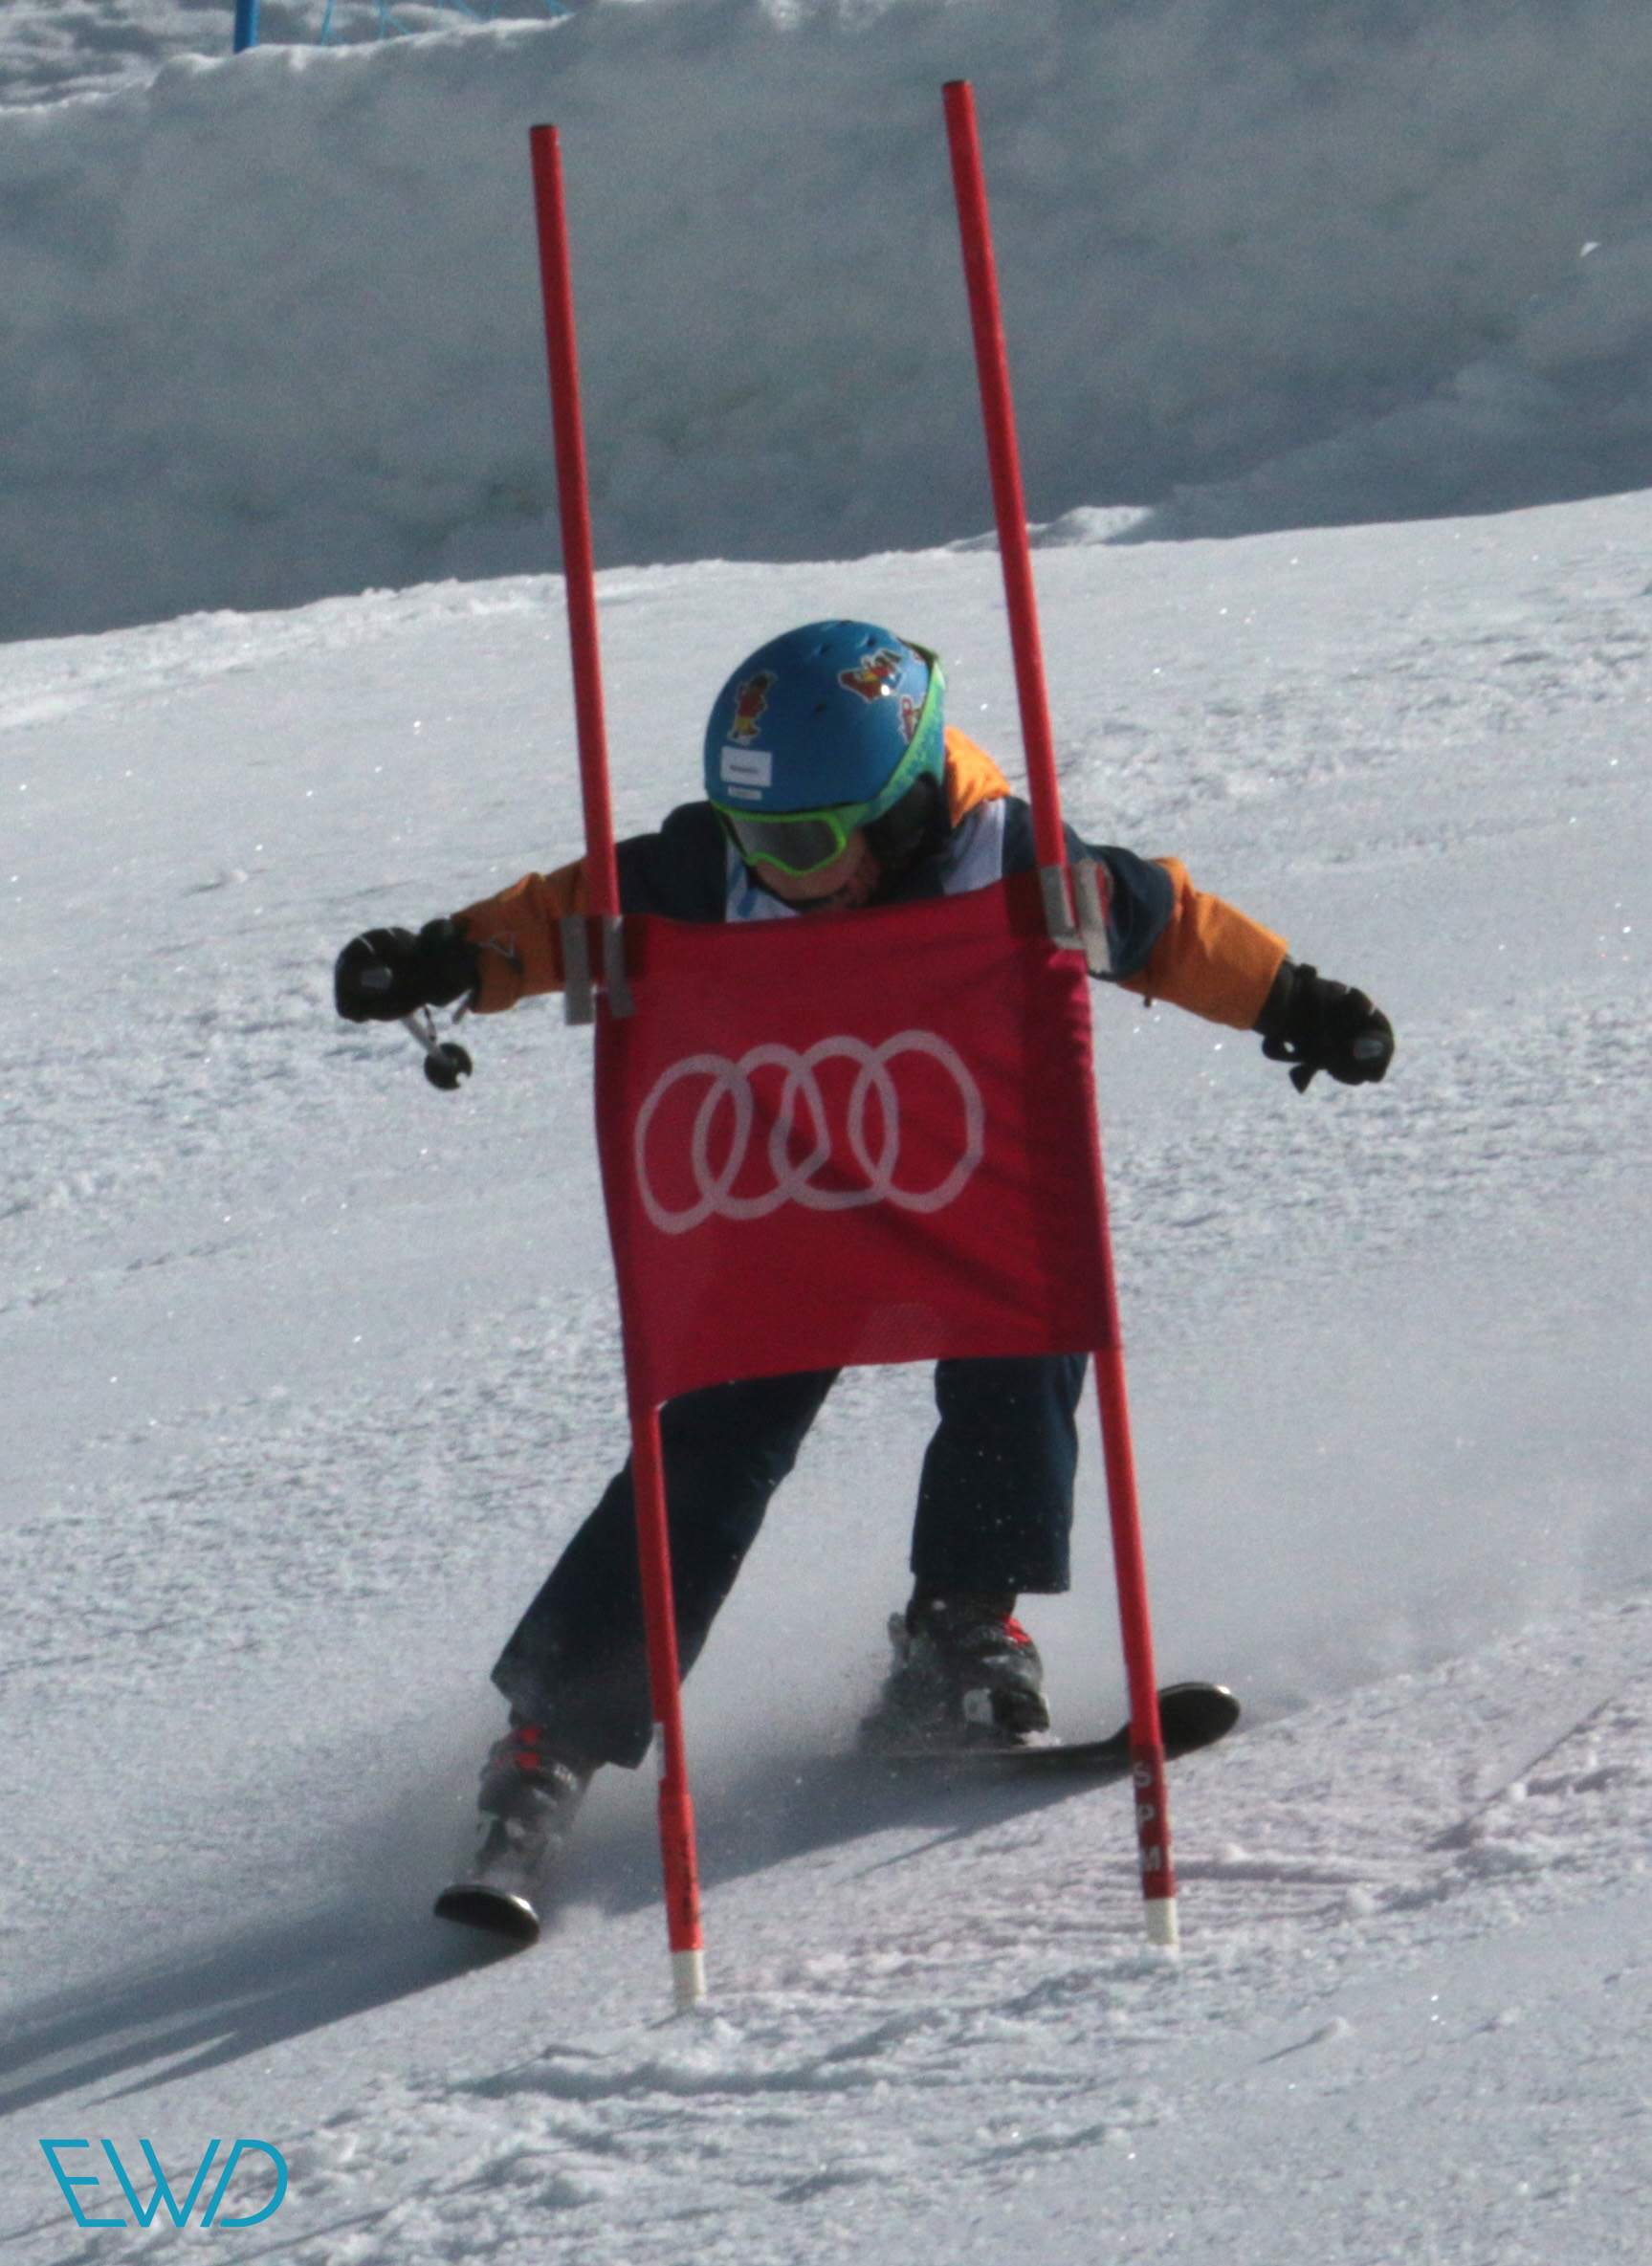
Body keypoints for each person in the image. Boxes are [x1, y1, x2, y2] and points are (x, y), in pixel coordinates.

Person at [334, 620, 1393, 1887]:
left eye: (801, 843)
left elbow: (1167, 927)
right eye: (751, 836)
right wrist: (443, 957)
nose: (770, 868)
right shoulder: (716, 869)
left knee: (1026, 1335)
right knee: (718, 1435)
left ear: (898, 814)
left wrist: (1299, 1003)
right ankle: (555, 1729)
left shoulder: (1014, 864)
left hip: (955, 1191)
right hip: (779, 1195)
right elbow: (569, 915)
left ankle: (959, 1633)